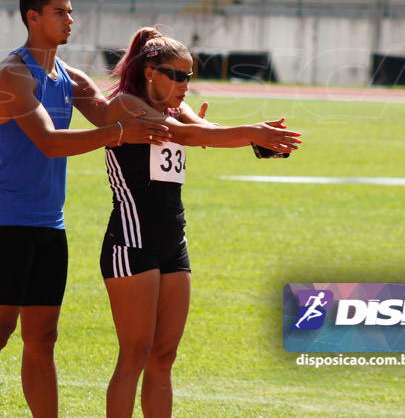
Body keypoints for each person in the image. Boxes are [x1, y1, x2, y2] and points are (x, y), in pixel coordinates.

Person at [0, 0, 171, 418]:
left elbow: (116, 111)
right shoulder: (12, 75)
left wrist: (170, 111)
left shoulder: (70, 77)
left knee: (43, 338)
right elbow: (50, 142)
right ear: (32, 17)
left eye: (71, 12)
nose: (70, 20)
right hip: (7, 221)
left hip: (49, 226)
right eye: (60, 12)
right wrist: (117, 133)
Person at [101, 27, 300, 418]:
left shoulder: (176, 108)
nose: (184, 85)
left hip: (174, 245)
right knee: (134, 355)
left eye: (188, 76)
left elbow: (205, 132)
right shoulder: (125, 104)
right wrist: (249, 134)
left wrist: (260, 141)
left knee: (164, 357)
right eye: (175, 75)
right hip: (131, 243)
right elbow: (186, 137)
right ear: (149, 72)